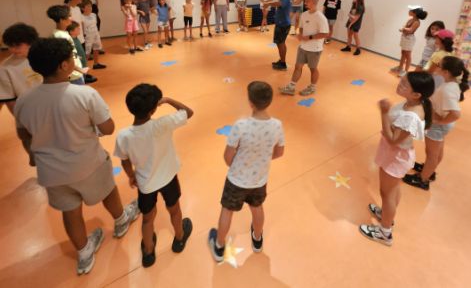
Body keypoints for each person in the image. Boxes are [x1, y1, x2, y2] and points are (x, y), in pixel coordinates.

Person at [14, 38, 139, 275]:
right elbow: (108, 128)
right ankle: (122, 220)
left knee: (70, 211)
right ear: (64, 65)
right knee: (108, 191)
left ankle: (84, 253)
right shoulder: (84, 94)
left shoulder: (24, 100)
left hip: (51, 172)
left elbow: (24, 134)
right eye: (72, 57)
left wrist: (32, 154)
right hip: (88, 163)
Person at [114, 84, 194, 268]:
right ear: (153, 109)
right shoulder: (163, 124)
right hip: (168, 178)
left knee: (148, 218)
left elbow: (124, 161)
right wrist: (168, 100)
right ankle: (179, 238)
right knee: (174, 210)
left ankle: (148, 252)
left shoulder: (124, 136)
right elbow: (188, 112)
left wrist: (131, 175)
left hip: (146, 184)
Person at [208, 81, 284, 262]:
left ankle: (219, 246)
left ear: (250, 102)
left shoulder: (241, 125)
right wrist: (261, 161)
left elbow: (227, 156)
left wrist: (237, 167)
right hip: (259, 180)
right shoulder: (277, 125)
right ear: (270, 101)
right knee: (257, 208)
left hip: (236, 180)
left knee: (227, 210)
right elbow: (279, 153)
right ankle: (257, 239)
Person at [359, 72, 434, 246]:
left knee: (387, 194)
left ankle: (385, 232)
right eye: (402, 80)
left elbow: (393, 140)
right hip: (394, 154)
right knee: (392, 191)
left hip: (396, 156)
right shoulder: (412, 103)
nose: (400, 84)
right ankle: (386, 214)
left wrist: (384, 113)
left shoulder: (411, 116)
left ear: (416, 94)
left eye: (404, 84)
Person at [403, 56, 469, 190]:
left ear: (446, 72)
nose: (436, 66)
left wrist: (439, 121)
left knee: (432, 154)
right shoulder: (452, 83)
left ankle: (423, 180)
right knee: (437, 152)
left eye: (439, 65)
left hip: (438, 127)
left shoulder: (447, 90)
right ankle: (429, 170)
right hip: (441, 125)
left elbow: (456, 114)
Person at [0, 23, 42, 166]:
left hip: (51, 111)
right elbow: (9, 99)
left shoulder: (43, 56)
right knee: (36, 152)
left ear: (31, 42)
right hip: (27, 116)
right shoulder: (5, 68)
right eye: (9, 46)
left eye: (17, 45)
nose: (13, 50)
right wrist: (22, 119)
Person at [279, 0, 329, 96]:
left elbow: (325, 34)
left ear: (314, 2)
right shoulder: (304, 14)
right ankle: (291, 87)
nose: (305, 2)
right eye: (305, 0)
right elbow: (301, 27)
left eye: (307, 1)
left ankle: (312, 87)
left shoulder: (320, 17)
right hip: (303, 47)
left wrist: (309, 37)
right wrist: (301, 34)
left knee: (313, 69)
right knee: (298, 67)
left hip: (315, 49)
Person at [47, 5, 88, 85]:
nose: (71, 18)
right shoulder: (61, 36)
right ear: (61, 20)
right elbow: (65, 58)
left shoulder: (61, 33)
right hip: (73, 75)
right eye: (69, 16)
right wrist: (80, 70)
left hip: (74, 73)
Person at [390, 5, 428, 77]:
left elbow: (411, 30)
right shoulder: (410, 20)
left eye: (410, 10)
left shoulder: (417, 22)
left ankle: (406, 71)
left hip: (409, 39)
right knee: (403, 53)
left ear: (415, 13)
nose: (409, 11)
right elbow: (405, 28)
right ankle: (400, 67)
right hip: (405, 38)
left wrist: (403, 29)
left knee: (408, 55)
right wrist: (404, 29)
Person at [264, 0, 292, 71]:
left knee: (281, 43)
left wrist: (268, 4)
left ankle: (283, 64)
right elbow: (280, 1)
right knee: (279, 43)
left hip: (283, 25)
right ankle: (281, 60)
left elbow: (279, 4)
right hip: (281, 24)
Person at [81, 1, 106, 69]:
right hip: (87, 35)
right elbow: (82, 28)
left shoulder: (94, 15)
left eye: (90, 6)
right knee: (87, 52)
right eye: (88, 6)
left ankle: (96, 64)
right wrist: (83, 35)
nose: (90, 8)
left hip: (95, 33)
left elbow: (96, 24)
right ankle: (84, 68)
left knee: (96, 48)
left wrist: (97, 33)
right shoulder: (81, 17)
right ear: (83, 8)